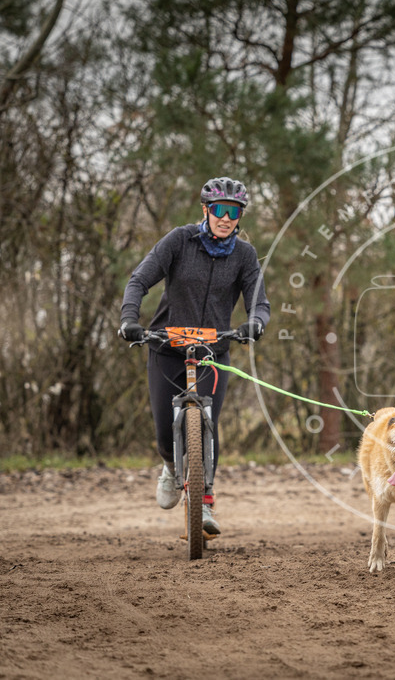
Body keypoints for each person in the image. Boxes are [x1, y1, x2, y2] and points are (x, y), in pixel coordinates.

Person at [118, 176, 271, 536]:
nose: (225, 217)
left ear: (239, 217)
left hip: (212, 353)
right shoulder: (179, 241)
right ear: (206, 210)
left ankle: (202, 505)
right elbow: (139, 281)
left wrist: (255, 324)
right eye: (219, 209)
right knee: (162, 432)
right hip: (166, 347)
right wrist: (129, 319)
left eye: (233, 212)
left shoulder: (245, 255)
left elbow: (259, 303)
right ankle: (172, 467)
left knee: (207, 427)